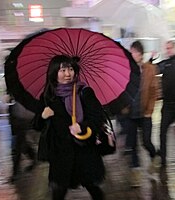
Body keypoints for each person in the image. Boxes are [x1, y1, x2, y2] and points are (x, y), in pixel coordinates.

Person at [33, 55, 106, 200]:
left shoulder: (84, 92)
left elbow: (98, 119)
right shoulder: (48, 96)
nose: (68, 74)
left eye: (71, 69)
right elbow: (37, 126)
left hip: (84, 151)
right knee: (59, 191)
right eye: (63, 70)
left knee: (93, 188)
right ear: (54, 73)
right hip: (60, 154)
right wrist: (43, 116)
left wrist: (82, 127)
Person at [125, 40, 160, 187]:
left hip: (144, 114)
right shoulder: (126, 71)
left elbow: (154, 92)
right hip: (130, 114)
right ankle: (136, 172)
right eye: (131, 52)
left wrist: (149, 111)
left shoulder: (150, 69)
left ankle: (155, 155)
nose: (132, 55)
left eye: (134, 52)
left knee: (146, 142)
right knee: (133, 144)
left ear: (140, 54)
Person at [7, 95, 38, 182]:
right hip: (18, 124)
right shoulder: (14, 98)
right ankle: (33, 156)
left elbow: (27, 114)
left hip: (22, 124)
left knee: (17, 148)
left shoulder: (24, 97)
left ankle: (15, 173)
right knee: (22, 146)